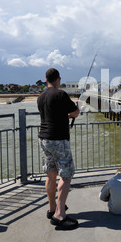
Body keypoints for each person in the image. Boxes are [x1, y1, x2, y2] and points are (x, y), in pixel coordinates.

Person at [38, 68, 80, 230]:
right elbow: (75, 113)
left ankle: (52, 208)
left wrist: (66, 115)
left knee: (51, 173)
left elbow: (53, 115)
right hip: (58, 139)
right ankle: (60, 215)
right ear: (58, 79)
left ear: (46, 79)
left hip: (44, 138)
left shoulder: (41, 97)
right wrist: (77, 109)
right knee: (67, 174)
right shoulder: (60, 94)